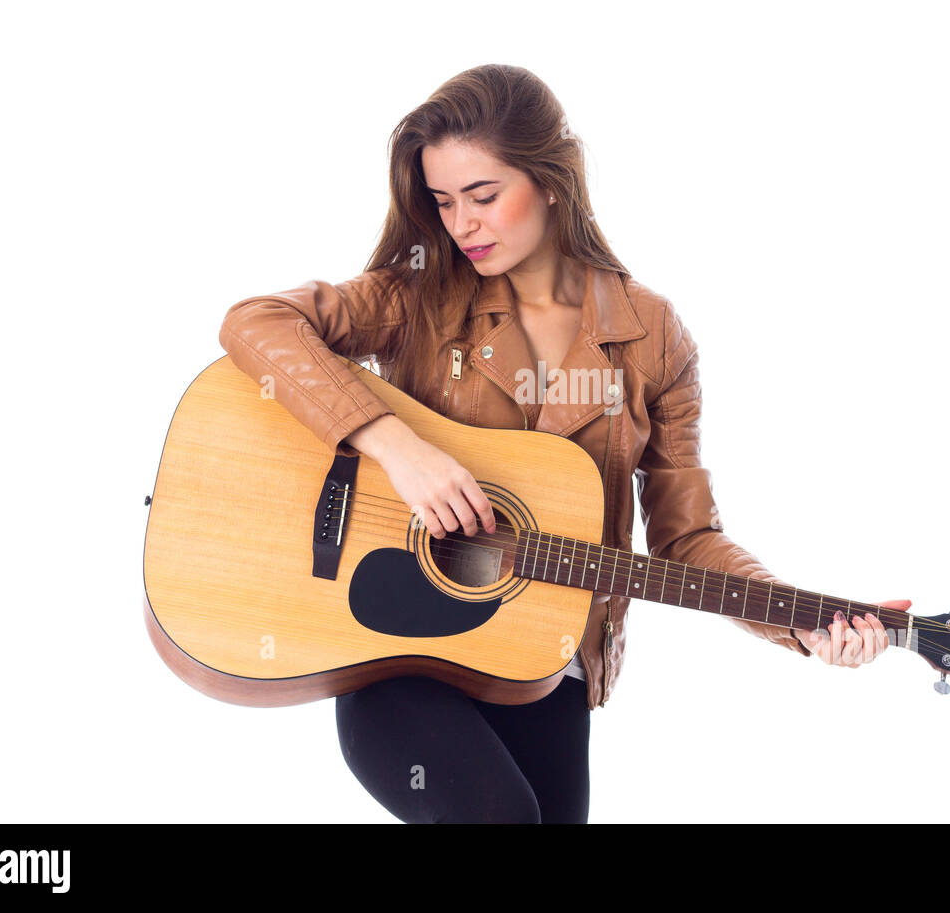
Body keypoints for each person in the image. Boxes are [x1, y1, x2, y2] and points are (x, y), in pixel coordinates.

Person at [217, 64, 910, 823]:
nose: (462, 225)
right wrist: (395, 445)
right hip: (398, 647)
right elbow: (256, 323)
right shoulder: (416, 295)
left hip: (546, 665)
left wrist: (798, 619)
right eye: (444, 201)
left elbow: (688, 539)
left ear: (552, 180)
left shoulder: (653, 338)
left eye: (483, 196)